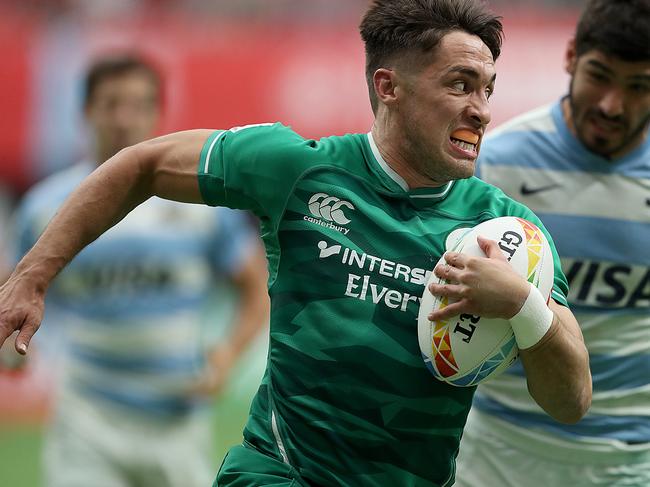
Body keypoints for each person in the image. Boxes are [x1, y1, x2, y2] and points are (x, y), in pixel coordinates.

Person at [0, 2, 592, 486]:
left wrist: (520, 303)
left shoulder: (509, 236)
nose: (481, 110)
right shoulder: (298, 169)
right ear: (388, 86)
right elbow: (140, 164)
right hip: (278, 472)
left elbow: (572, 400)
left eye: (488, 88)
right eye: (460, 85)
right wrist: (32, 274)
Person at [10, 55, 269, 487]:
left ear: (157, 113)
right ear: (87, 111)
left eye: (138, 104)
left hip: (177, 419)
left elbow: (255, 288)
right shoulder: (46, 207)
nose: (124, 118)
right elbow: (14, 288)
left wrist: (226, 356)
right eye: (112, 104)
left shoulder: (200, 205)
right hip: (87, 416)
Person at [454, 1, 650, 486]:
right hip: (496, 454)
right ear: (570, 57)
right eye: (599, 76)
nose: (611, 104)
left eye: (638, 87)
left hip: (628, 461)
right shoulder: (497, 163)